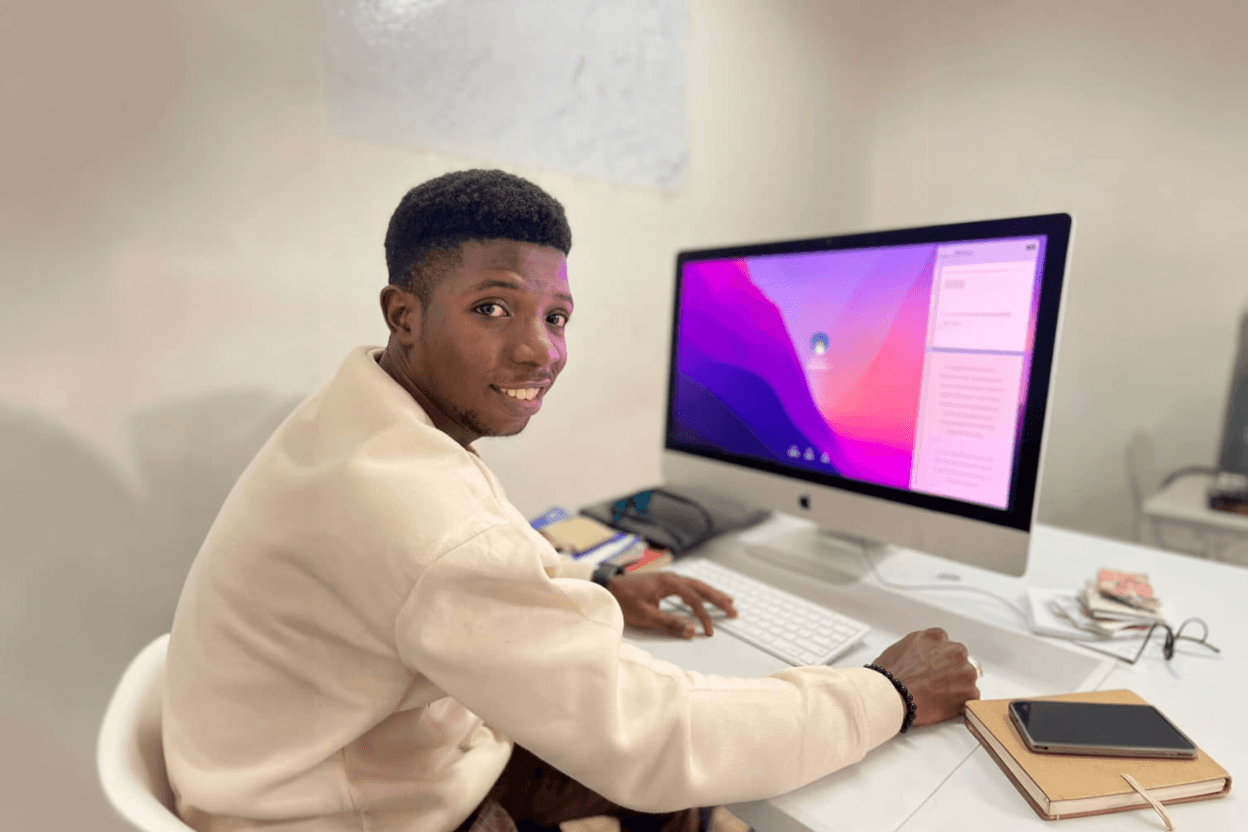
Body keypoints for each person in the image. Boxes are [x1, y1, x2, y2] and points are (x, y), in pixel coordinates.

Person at [162, 169, 980, 832]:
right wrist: (889, 693)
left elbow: (448, 569)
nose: (539, 350)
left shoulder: (360, 423)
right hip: (337, 816)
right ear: (402, 315)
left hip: (327, 768)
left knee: (690, 803)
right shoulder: (418, 516)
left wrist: (595, 590)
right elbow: (659, 739)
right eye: (493, 308)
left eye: (557, 316)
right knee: (690, 789)